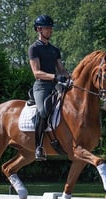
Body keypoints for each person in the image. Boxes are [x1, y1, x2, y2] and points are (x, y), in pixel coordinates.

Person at [28, 15, 70, 161]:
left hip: (55, 85)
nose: (50, 30)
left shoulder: (54, 49)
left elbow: (61, 69)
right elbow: (36, 72)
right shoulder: (34, 49)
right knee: (43, 111)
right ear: (39, 29)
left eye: (50, 28)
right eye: (47, 28)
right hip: (41, 87)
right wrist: (54, 77)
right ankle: (39, 147)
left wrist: (69, 77)